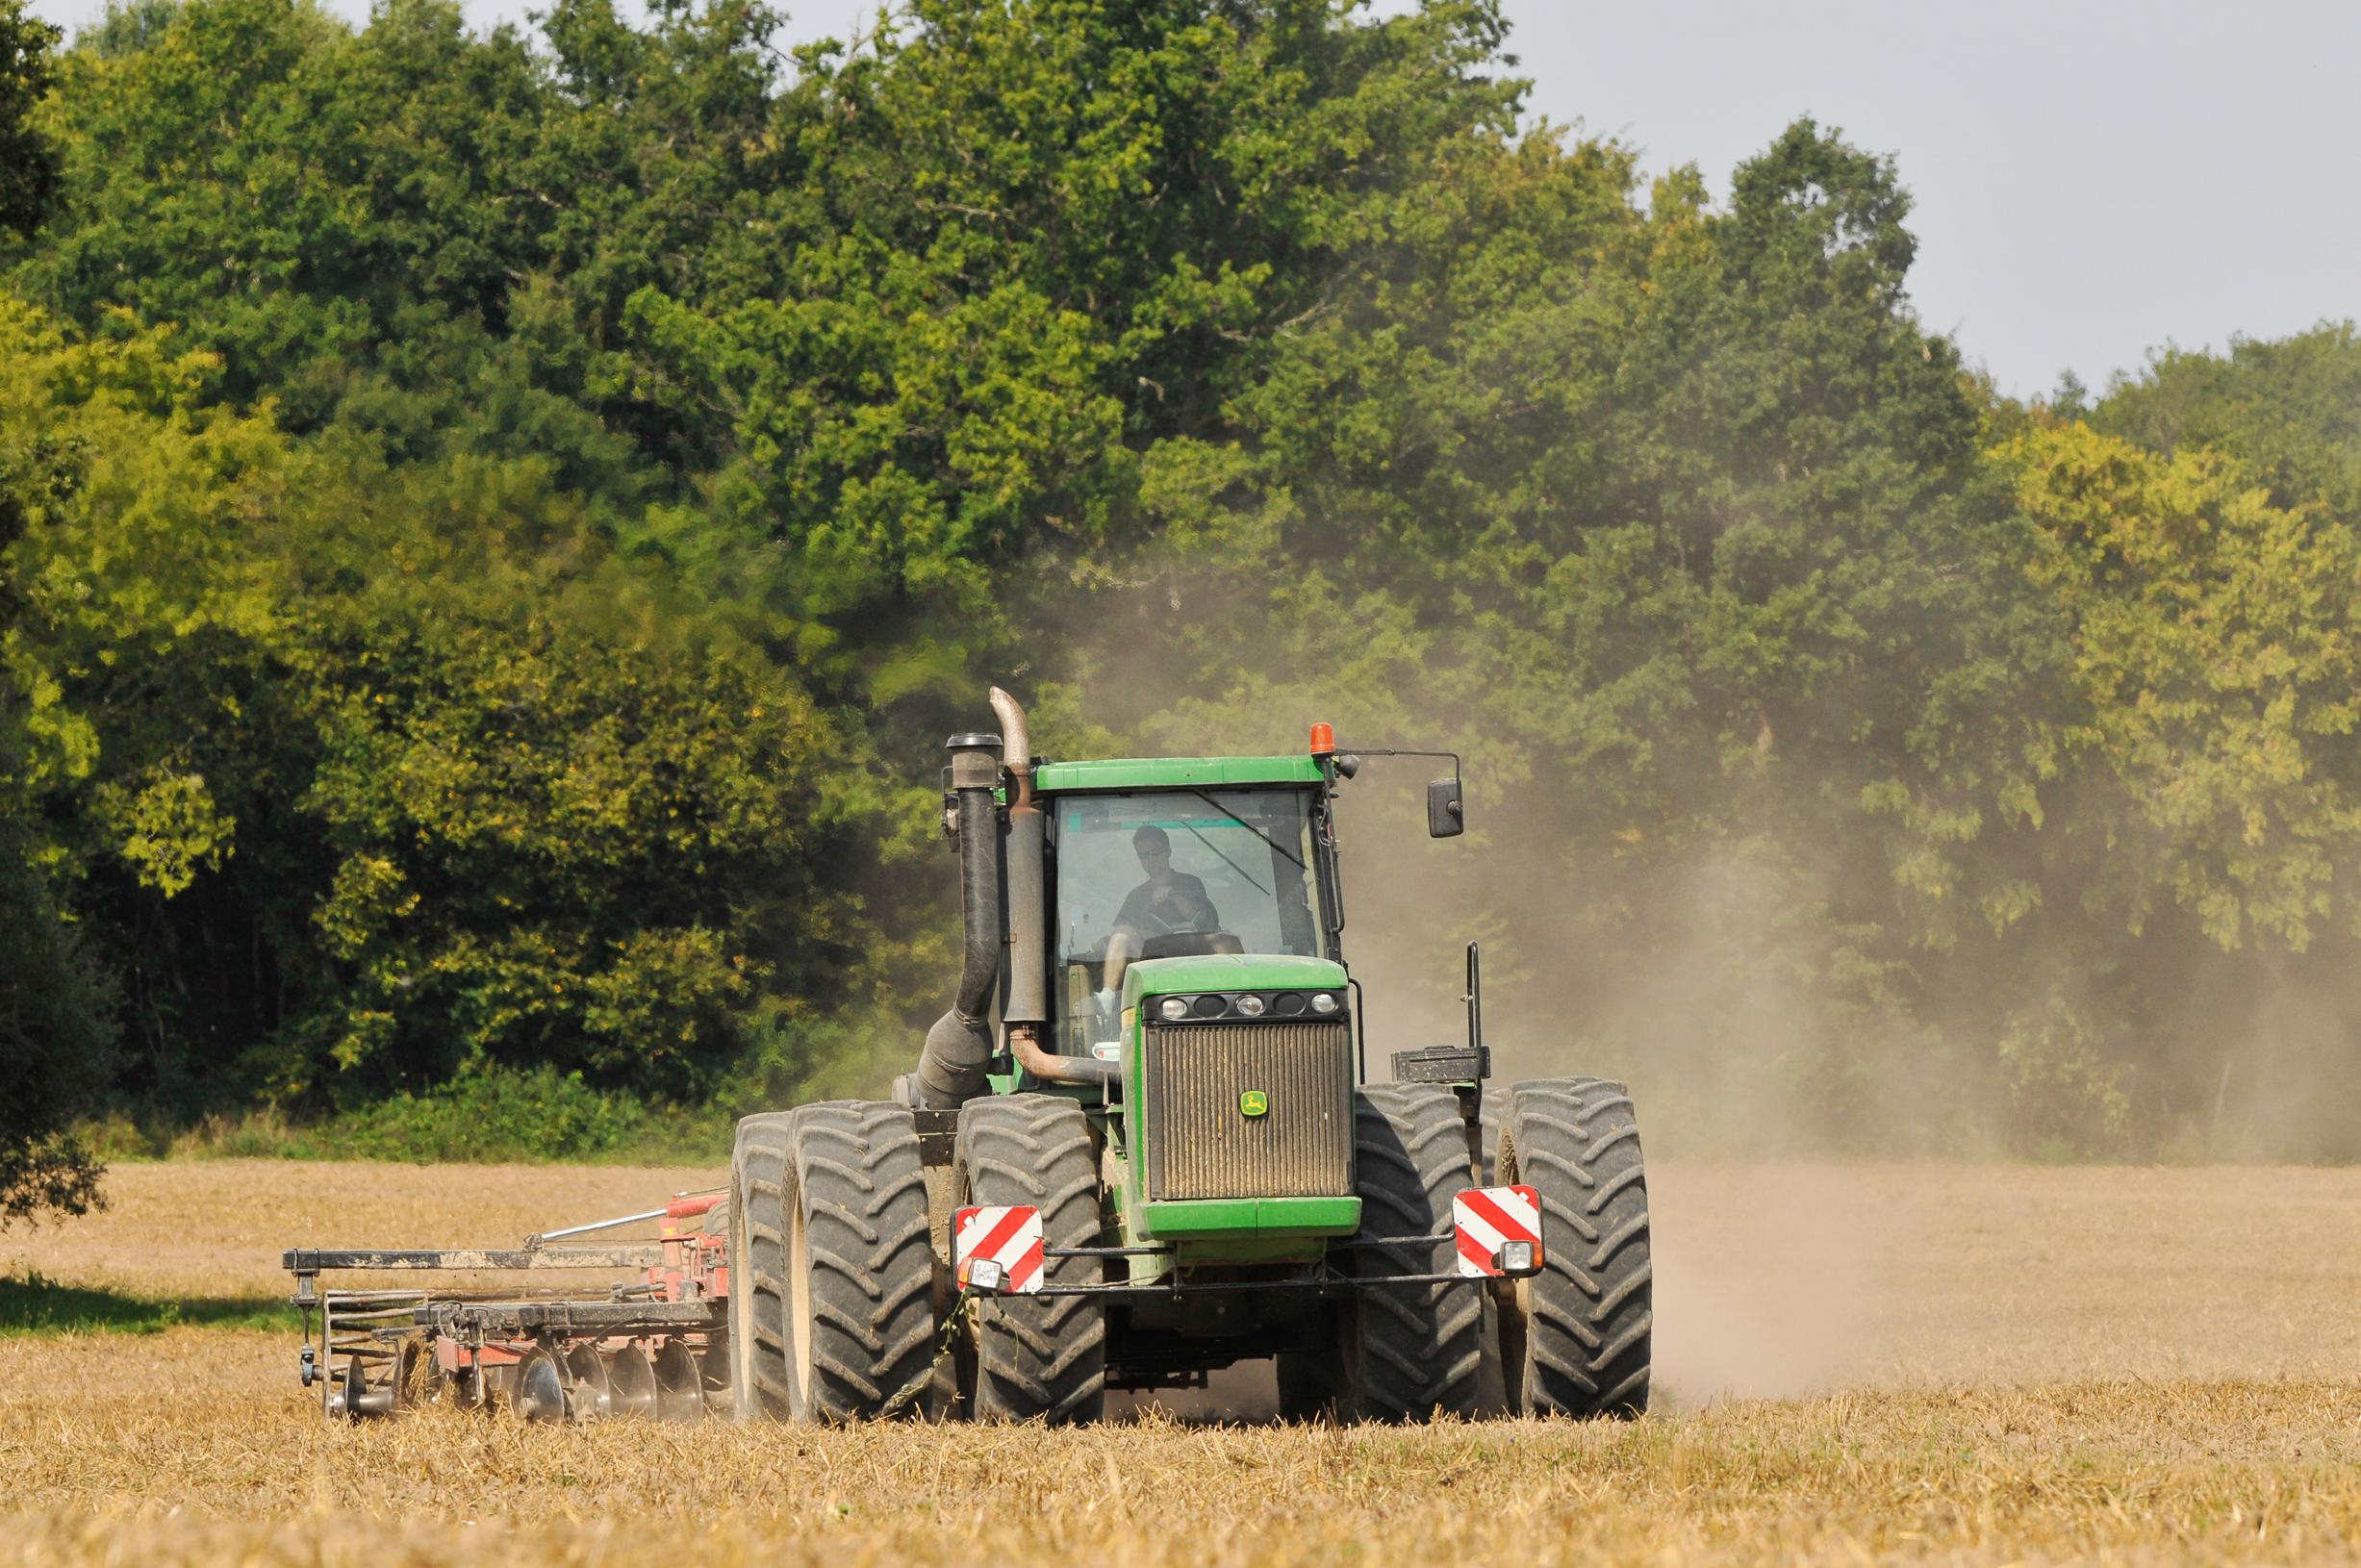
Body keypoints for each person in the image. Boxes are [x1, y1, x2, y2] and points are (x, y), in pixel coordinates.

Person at [1096, 825, 1222, 1015]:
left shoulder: (1190, 882)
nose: (1150, 859)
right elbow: (1123, 933)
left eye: (1155, 852)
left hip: (1192, 956)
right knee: (1121, 934)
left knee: (1227, 940)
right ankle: (1108, 997)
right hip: (1151, 961)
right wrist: (1107, 942)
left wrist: (1172, 894)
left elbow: (1203, 921)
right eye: (1144, 855)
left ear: (1168, 852)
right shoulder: (1136, 896)